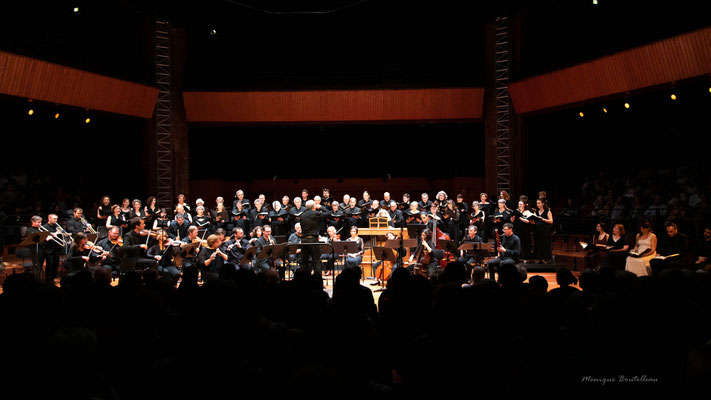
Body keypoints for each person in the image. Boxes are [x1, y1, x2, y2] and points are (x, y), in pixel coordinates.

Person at [299, 200, 332, 279]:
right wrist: (321, 207)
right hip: (313, 240)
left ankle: (302, 281)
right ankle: (318, 282)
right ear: (314, 206)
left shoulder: (302, 215)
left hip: (304, 241)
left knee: (303, 263)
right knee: (316, 261)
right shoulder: (316, 214)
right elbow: (329, 213)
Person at [532, 198, 554, 264]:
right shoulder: (536, 211)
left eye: (539, 203)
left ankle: (545, 258)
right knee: (538, 244)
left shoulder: (547, 211)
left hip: (545, 231)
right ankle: (538, 258)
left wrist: (543, 219)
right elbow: (535, 221)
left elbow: (551, 221)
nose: (537, 205)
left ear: (543, 204)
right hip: (537, 231)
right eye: (537, 203)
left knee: (545, 244)